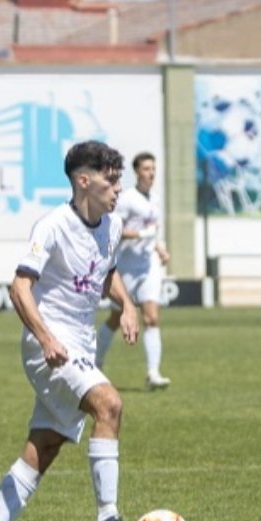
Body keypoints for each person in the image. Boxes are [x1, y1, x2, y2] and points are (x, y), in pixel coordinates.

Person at [0, 140, 152, 521]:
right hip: (50, 346)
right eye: (111, 179)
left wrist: (128, 304)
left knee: (44, 447)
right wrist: (46, 338)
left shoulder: (112, 225)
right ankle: (107, 519)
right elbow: (19, 287)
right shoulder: (52, 226)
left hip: (78, 346)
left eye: (119, 179)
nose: (118, 188)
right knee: (110, 404)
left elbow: (107, 274)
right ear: (84, 181)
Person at [95, 151, 172, 390]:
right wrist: (139, 234)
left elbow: (154, 230)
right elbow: (113, 230)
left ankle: (153, 372)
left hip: (148, 266)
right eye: (147, 169)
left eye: (153, 168)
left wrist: (160, 247)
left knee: (151, 317)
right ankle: (94, 365)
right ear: (137, 172)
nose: (151, 173)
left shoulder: (155, 199)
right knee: (117, 318)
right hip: (126, 266)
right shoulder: (127, 199)